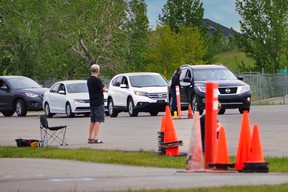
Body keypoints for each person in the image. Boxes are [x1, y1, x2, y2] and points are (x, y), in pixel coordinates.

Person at [87, 64, 108, 144]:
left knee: (92, 120)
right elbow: (103, 89)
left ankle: (90, 137)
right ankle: (95, 138)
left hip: (92, 102)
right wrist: (105, 89)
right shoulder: (97, 80)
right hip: (99, 102)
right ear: (98, 71)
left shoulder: (89, 80)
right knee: (98, 120)